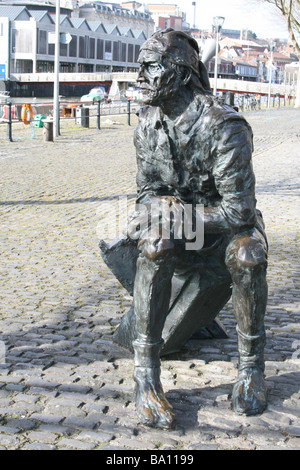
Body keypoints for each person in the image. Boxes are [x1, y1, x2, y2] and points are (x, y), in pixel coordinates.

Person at [124, 29, 268, 429]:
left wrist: (177, 214)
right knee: (153, 244)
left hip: (225, 231)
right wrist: (155, 207)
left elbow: (239, 211)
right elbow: (147, 190)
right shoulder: (146, 126)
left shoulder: (225, 127)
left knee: (248, 255)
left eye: (151, 67)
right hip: (182, 230)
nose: (140, 76)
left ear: (182, 74)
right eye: (140, 66)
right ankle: (145, 375)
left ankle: (251, 367)